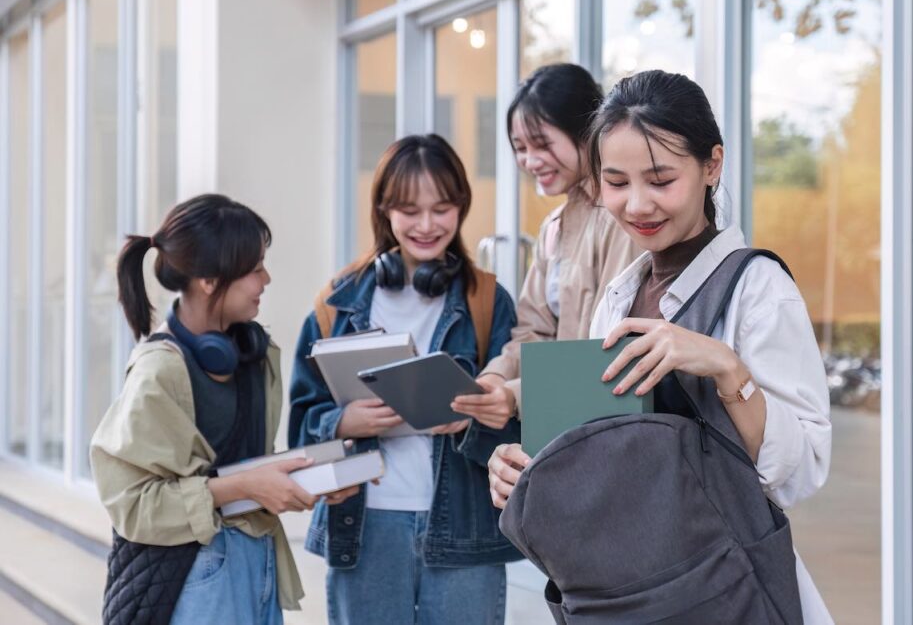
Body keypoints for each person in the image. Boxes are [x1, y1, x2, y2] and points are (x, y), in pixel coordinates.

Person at [490, 70, 834, 622]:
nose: (638, 205)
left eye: (660, 179)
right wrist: (523, 468)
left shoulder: (759, 289)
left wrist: (726, 369)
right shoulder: (619, 297)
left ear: (711, 166)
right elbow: (594, 450)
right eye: (617, 182)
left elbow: (801, 472)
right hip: (629, 593)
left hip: (725, 591)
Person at [91, 194, 357, 625]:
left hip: (256, 558)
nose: (266, 279)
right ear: (209, 281)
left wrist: (311, 479)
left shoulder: (252, 350)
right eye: (255, 269)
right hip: (198, 571)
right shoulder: (159, 372)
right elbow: (134, 506)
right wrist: (245, 487)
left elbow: (243, 466)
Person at [288, 134, 522, 625]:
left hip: (464, 530)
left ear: (461, 207)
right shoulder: (338, 302)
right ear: (384, 209)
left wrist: (471, 421)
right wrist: (342, 421)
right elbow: (300, 425)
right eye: (409, 210)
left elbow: (518, 426)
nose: (426, 225)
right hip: (365, 526)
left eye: (442, 208)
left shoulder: (487, 301)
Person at [451, 64, 641, 487]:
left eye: (541, 143)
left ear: (586, 131)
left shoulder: (622, 217)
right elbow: (532, 330)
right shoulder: (555, 227)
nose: (529, 160)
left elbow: (608, 350)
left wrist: (514, 396)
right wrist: (496, 379)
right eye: (519, 147)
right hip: (563, 433)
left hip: (614, 437)